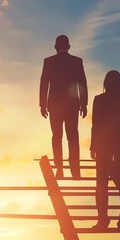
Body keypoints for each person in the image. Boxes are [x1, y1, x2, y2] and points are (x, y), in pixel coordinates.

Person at [90, 70, 120, 229]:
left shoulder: (100, 99)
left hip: (105, 144)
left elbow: (96, 125)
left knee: (102, 182)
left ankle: (103, 219)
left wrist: (93, 146)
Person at [39, 35, 88, 178]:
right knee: (73, 136)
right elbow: (82, 83)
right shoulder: (77, 62)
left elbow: (44, 84)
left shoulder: (49, 62)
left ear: (55, 47)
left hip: (54, 104)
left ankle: (59, 168)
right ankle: (75, 170)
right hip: (72, 105)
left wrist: (42, 104)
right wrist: (83, 104)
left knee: (57, 136)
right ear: (69, 47)